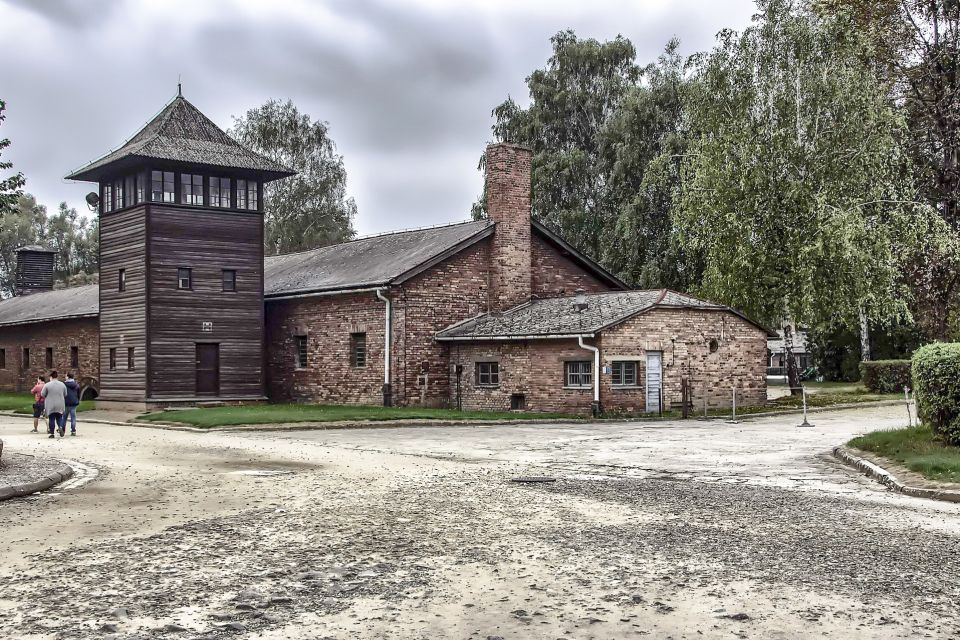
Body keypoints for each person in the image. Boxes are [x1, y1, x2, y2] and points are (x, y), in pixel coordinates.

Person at [41, 371, 68, 439]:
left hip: (51, 404)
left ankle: (52, 433)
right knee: (59, 417)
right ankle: (60, 427)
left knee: (52, 418)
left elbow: (43, 394)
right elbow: (65, 394)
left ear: (51, 377)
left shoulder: (47, 385)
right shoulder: (62, 384)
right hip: (60, 404)